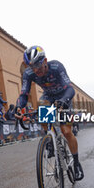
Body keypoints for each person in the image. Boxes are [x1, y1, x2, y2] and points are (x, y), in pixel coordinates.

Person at [16, 45, 84, 181]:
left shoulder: (56, 67)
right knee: (42, 106)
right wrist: (18, 107)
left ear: (45, 60)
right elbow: (24, 94)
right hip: (48, 96)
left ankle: (76, 163)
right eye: (32, 67)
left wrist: (64, 101)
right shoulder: (28, 74)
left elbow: (70, 89)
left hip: (64, 95)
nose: (36, 70)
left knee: (66, 131)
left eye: (38, 66)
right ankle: (50, 139)